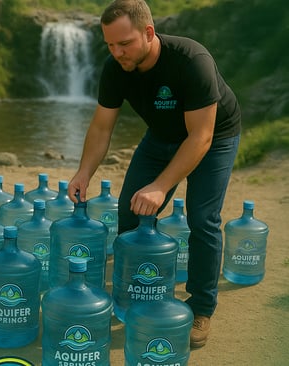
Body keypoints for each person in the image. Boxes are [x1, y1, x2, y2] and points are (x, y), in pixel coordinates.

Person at [68, 0, 241, 348]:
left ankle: (202, 306)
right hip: (161, 137)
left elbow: (201, 137)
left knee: (204, 218)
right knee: (130, 210)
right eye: (110, 45)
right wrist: (83, 172)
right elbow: (102, 127)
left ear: (148, 32)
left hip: (213, 137)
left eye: (125, 43)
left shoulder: (191, 61)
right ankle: (137, 290)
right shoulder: (115, 68)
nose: (117, 52)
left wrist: (161, 186)